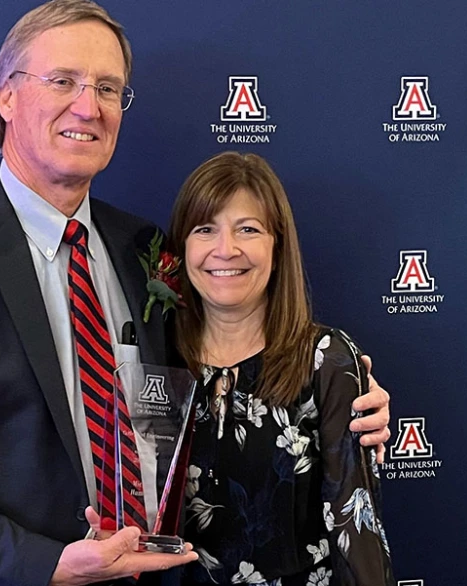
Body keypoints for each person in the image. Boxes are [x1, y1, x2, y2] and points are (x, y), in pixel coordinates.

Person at [0, 2, 392, 585]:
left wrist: (344, 396)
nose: (88, 106)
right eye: (64, 81)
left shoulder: (145, 248)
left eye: (108, 88)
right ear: (6, 96)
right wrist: (47, 564)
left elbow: (218, 369)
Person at [168, 152, 395, 585]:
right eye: (205, 229)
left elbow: (356, 528)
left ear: (278, 243)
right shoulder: (156, 360)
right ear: (182, 245)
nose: (225, 249)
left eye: (248, 229)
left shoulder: (326, 360)